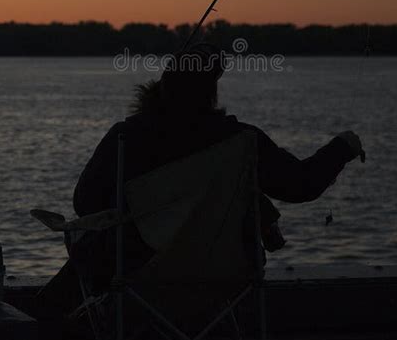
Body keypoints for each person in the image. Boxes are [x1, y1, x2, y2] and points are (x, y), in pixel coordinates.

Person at [71, 43, 365, 291]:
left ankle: (65, 323)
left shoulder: (126, 136)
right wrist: (343, 147)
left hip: (139, 269)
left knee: (95, 243)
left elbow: (85, 202)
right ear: (211, 92)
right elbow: (301, 185)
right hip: (225, 271)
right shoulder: (240, 140)